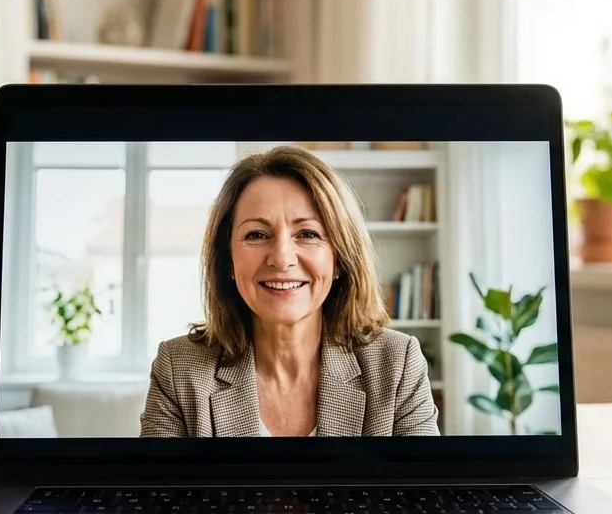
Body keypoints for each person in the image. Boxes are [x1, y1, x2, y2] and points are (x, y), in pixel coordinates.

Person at [140, 145, 440, 437]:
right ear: (228, 259)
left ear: (339, 258)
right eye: (256, 235)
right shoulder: (178, 369)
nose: (282, 259)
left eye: (308, 233)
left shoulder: (397, 364)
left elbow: (424, 475)